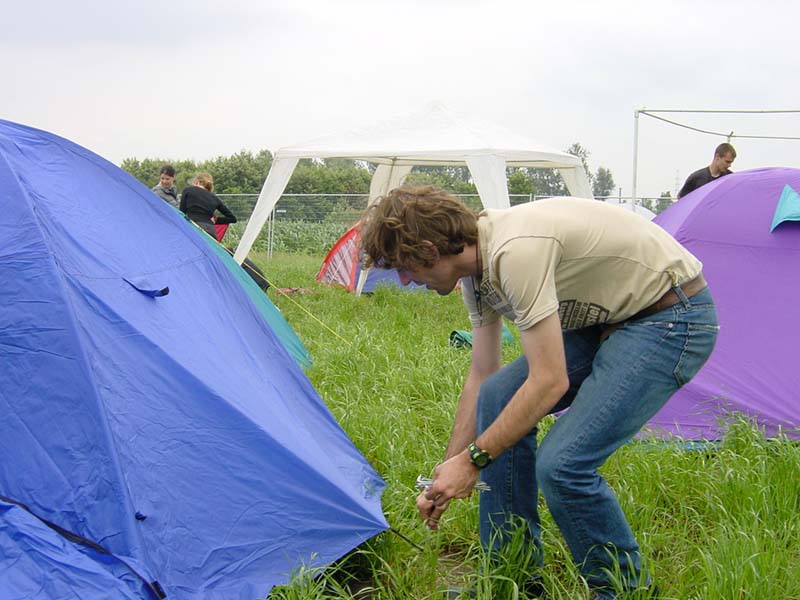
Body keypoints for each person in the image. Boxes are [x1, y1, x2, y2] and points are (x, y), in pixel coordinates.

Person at [359, 185, 719, 598]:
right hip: (610, 318)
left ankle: (626, 592)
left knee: (563, 465)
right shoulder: (476, 274)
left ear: (427, 249)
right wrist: (447, 471)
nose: (404, 281)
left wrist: (474, 460)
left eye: (403, 267)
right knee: (498, 396)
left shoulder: (515, 253)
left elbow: (549, 381)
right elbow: (482, 375)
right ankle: (512, 578)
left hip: (671, 315)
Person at [179, 172, 237, 239]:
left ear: (197, 181)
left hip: (193, 227)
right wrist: (216, 220)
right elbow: (233, 219)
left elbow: (181, 213)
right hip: (211, 232)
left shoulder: (188, 190)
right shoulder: (214, 198)